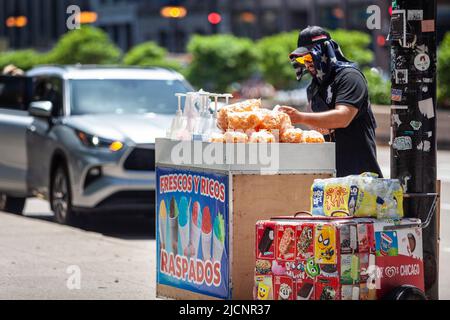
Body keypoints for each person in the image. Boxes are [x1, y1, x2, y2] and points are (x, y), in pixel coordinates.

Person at [279, 26, 383, 177]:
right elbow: (317, 130)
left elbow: (343, 117)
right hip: (328, 177)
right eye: (302, 59)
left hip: (359, 176)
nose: (306, 64)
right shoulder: (313, 87)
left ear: (324, 52)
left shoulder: (350, 77)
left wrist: (300, 117)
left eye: (309, 57)